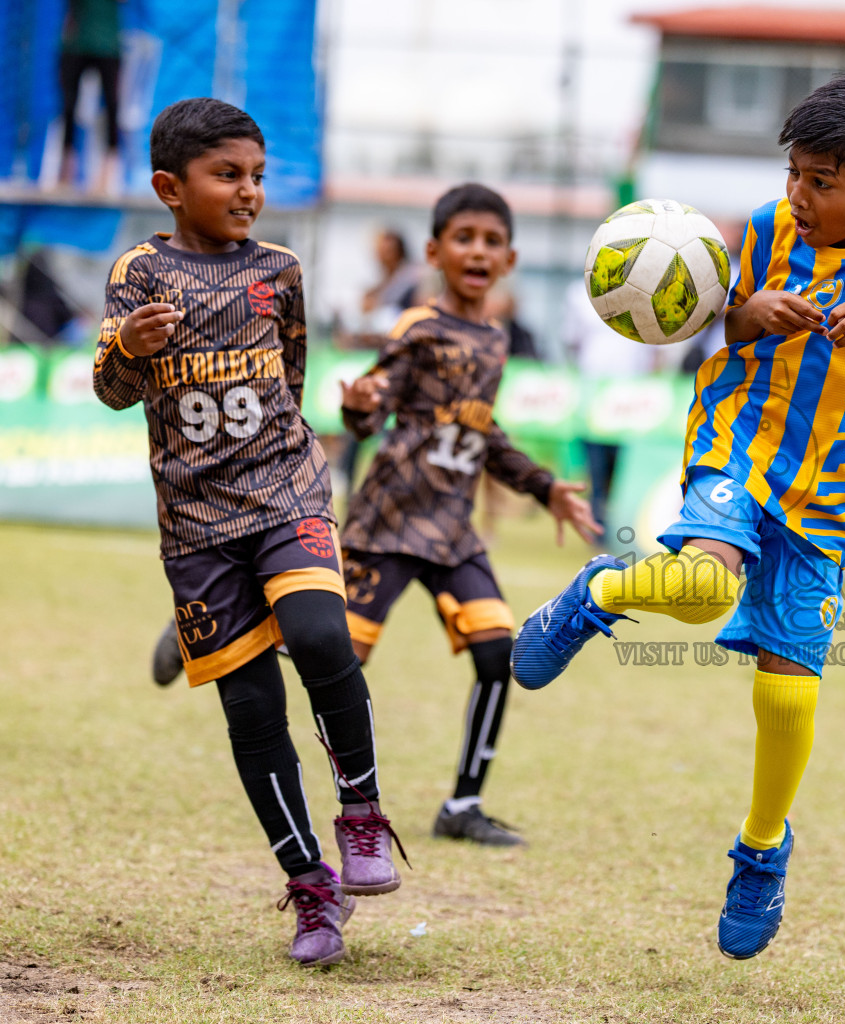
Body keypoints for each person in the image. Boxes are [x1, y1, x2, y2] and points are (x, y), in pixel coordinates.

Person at [512, 70, 845, 960]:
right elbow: (721, 325)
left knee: (789, 684)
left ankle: (762, 851)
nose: (799, 195)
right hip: (737, 440)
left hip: (828, 487)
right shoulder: (762, 228)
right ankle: (598, 595)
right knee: (704, 590)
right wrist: (751, 311)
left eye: (821, 182)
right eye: (795, 174)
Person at [92, 98, 401, 967]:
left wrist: (312, 441)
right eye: (227, 175)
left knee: (321, 635)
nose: (249, 191)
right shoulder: (138, 274)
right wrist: (131, 350)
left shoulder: (280, 269)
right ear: (170, 187)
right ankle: (311, 887)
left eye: (257, 176)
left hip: (284, 490)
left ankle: (363, 813)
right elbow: (111, 391)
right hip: (195, 524)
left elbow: (289, 380)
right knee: (252, 709)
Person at [336, 184, 598, 846]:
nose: (478, 252)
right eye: (464, 239)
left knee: (495, 652)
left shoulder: (494, 339)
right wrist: (358, 408)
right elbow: (373, 406)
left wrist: (544, 488)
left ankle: (462, 806)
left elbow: (483, 432)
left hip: (452, 530)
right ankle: (252, 624)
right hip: (390, 521)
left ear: (509, 259)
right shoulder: (417, 327)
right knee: (335, 660)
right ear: (434, 252)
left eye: (491, 242)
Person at [564, 277, 654, 530]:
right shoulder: (578, 293)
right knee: (595, 464)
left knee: (622, 465)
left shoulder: (646, 289)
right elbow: (572, 341)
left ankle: (616, 522)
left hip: (632, 398)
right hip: (593, 394)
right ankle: (598, 524)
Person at [58, 0, 122, 192]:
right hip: (77, 42)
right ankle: (66, 168)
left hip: (107, 43)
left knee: (112, 105)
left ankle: (109, 170)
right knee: (68, 105)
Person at [359, 230, 422, 334]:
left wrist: (375, 302)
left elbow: (394, 297)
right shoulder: (388, 277)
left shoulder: (412, 275)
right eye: (380, 253)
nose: (382, 258)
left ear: (399, 252)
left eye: (387, 252)